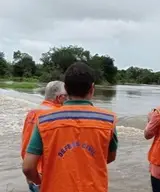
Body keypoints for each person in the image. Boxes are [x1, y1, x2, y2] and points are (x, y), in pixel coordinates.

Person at [22, 62, 118, 192]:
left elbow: (28, 167)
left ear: (66, 89)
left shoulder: (44, 120)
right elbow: (109, 157)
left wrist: (41, 182)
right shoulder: (108, 120)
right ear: (92, 88)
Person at [21, 81, 67, 192]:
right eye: (67, 95)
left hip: (31, 172)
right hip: (45, 176)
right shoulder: (56, 116)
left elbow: (25, 141)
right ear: (60, 97)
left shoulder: (32, 112)